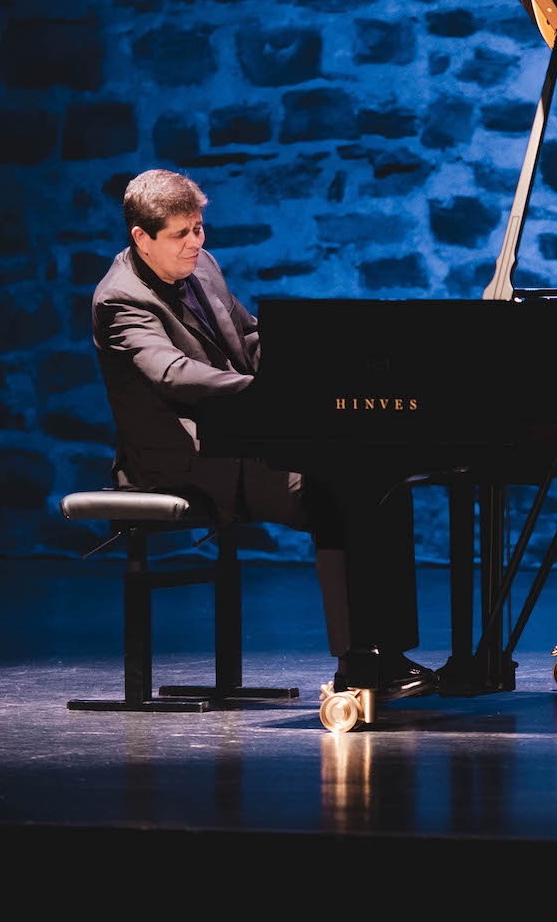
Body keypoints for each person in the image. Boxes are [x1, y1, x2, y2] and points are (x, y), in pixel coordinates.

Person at [90, 169, 436, 698]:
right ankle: (356, 665)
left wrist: (314, 360)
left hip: (238, 437)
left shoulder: (202, 267)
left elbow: (248, 336)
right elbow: (172, 373)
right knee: (335, 489)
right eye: (180, 234)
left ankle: (387, 653)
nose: (195, 243)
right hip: (181, 458)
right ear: (141, 237)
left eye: (199, 228)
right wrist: (262, 390)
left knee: (380, 481)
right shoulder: (120, 300)